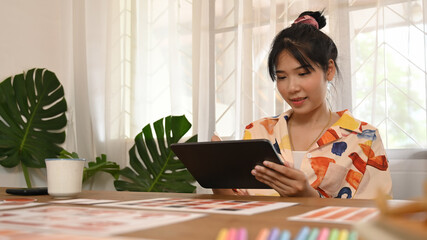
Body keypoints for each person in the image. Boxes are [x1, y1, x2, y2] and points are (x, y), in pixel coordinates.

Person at [212, 11, 392, 199]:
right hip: (262, 230)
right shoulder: (257, 132)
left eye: (303, 73)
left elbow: (377, 215)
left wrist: (308, 197)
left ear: (329, 70)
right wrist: (217, 177)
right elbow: (237, 206)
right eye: (281, 77)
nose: (291, 88)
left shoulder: (364, 138)